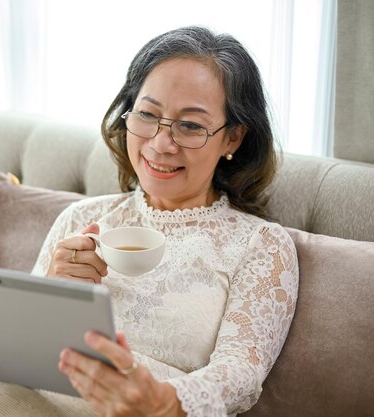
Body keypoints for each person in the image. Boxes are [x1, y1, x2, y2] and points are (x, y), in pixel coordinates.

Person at [31, 26, 299, 417]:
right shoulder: (83, 218)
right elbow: (22, 343)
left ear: (233, 139)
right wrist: (53, 294)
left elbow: (241, 374)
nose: (160, 143)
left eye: (190, 125)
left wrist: (165, 402)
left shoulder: (261, 245)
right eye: (148, 115)